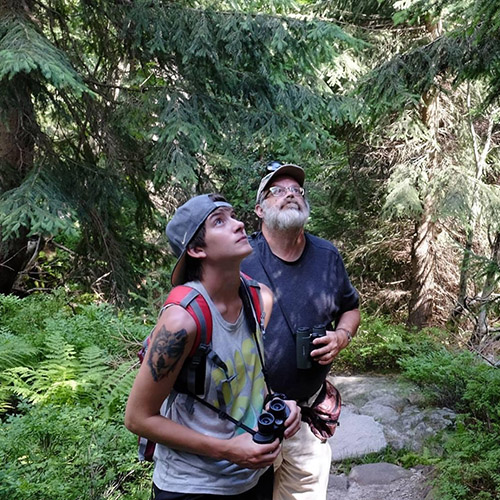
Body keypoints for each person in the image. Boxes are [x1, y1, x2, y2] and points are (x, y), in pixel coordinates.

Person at [125, 193, 301, 500]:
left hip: (253, 477)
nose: (239, 224)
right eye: (219, 221)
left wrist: (279, 405)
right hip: (192, 486)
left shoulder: (260, 299)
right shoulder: (181, 322)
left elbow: (249, 382)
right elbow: (137, 418)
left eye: (233, 216)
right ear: (196, 249)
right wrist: (229, 450)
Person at [241, 164, 361, 500]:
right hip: (251, 420)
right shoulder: (241, 259)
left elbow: (350, 309)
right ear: (259, 210)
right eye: (277, 190)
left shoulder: (326, 256)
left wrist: (342, 336)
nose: (291, 193)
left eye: (297, 189)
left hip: (308, 422)